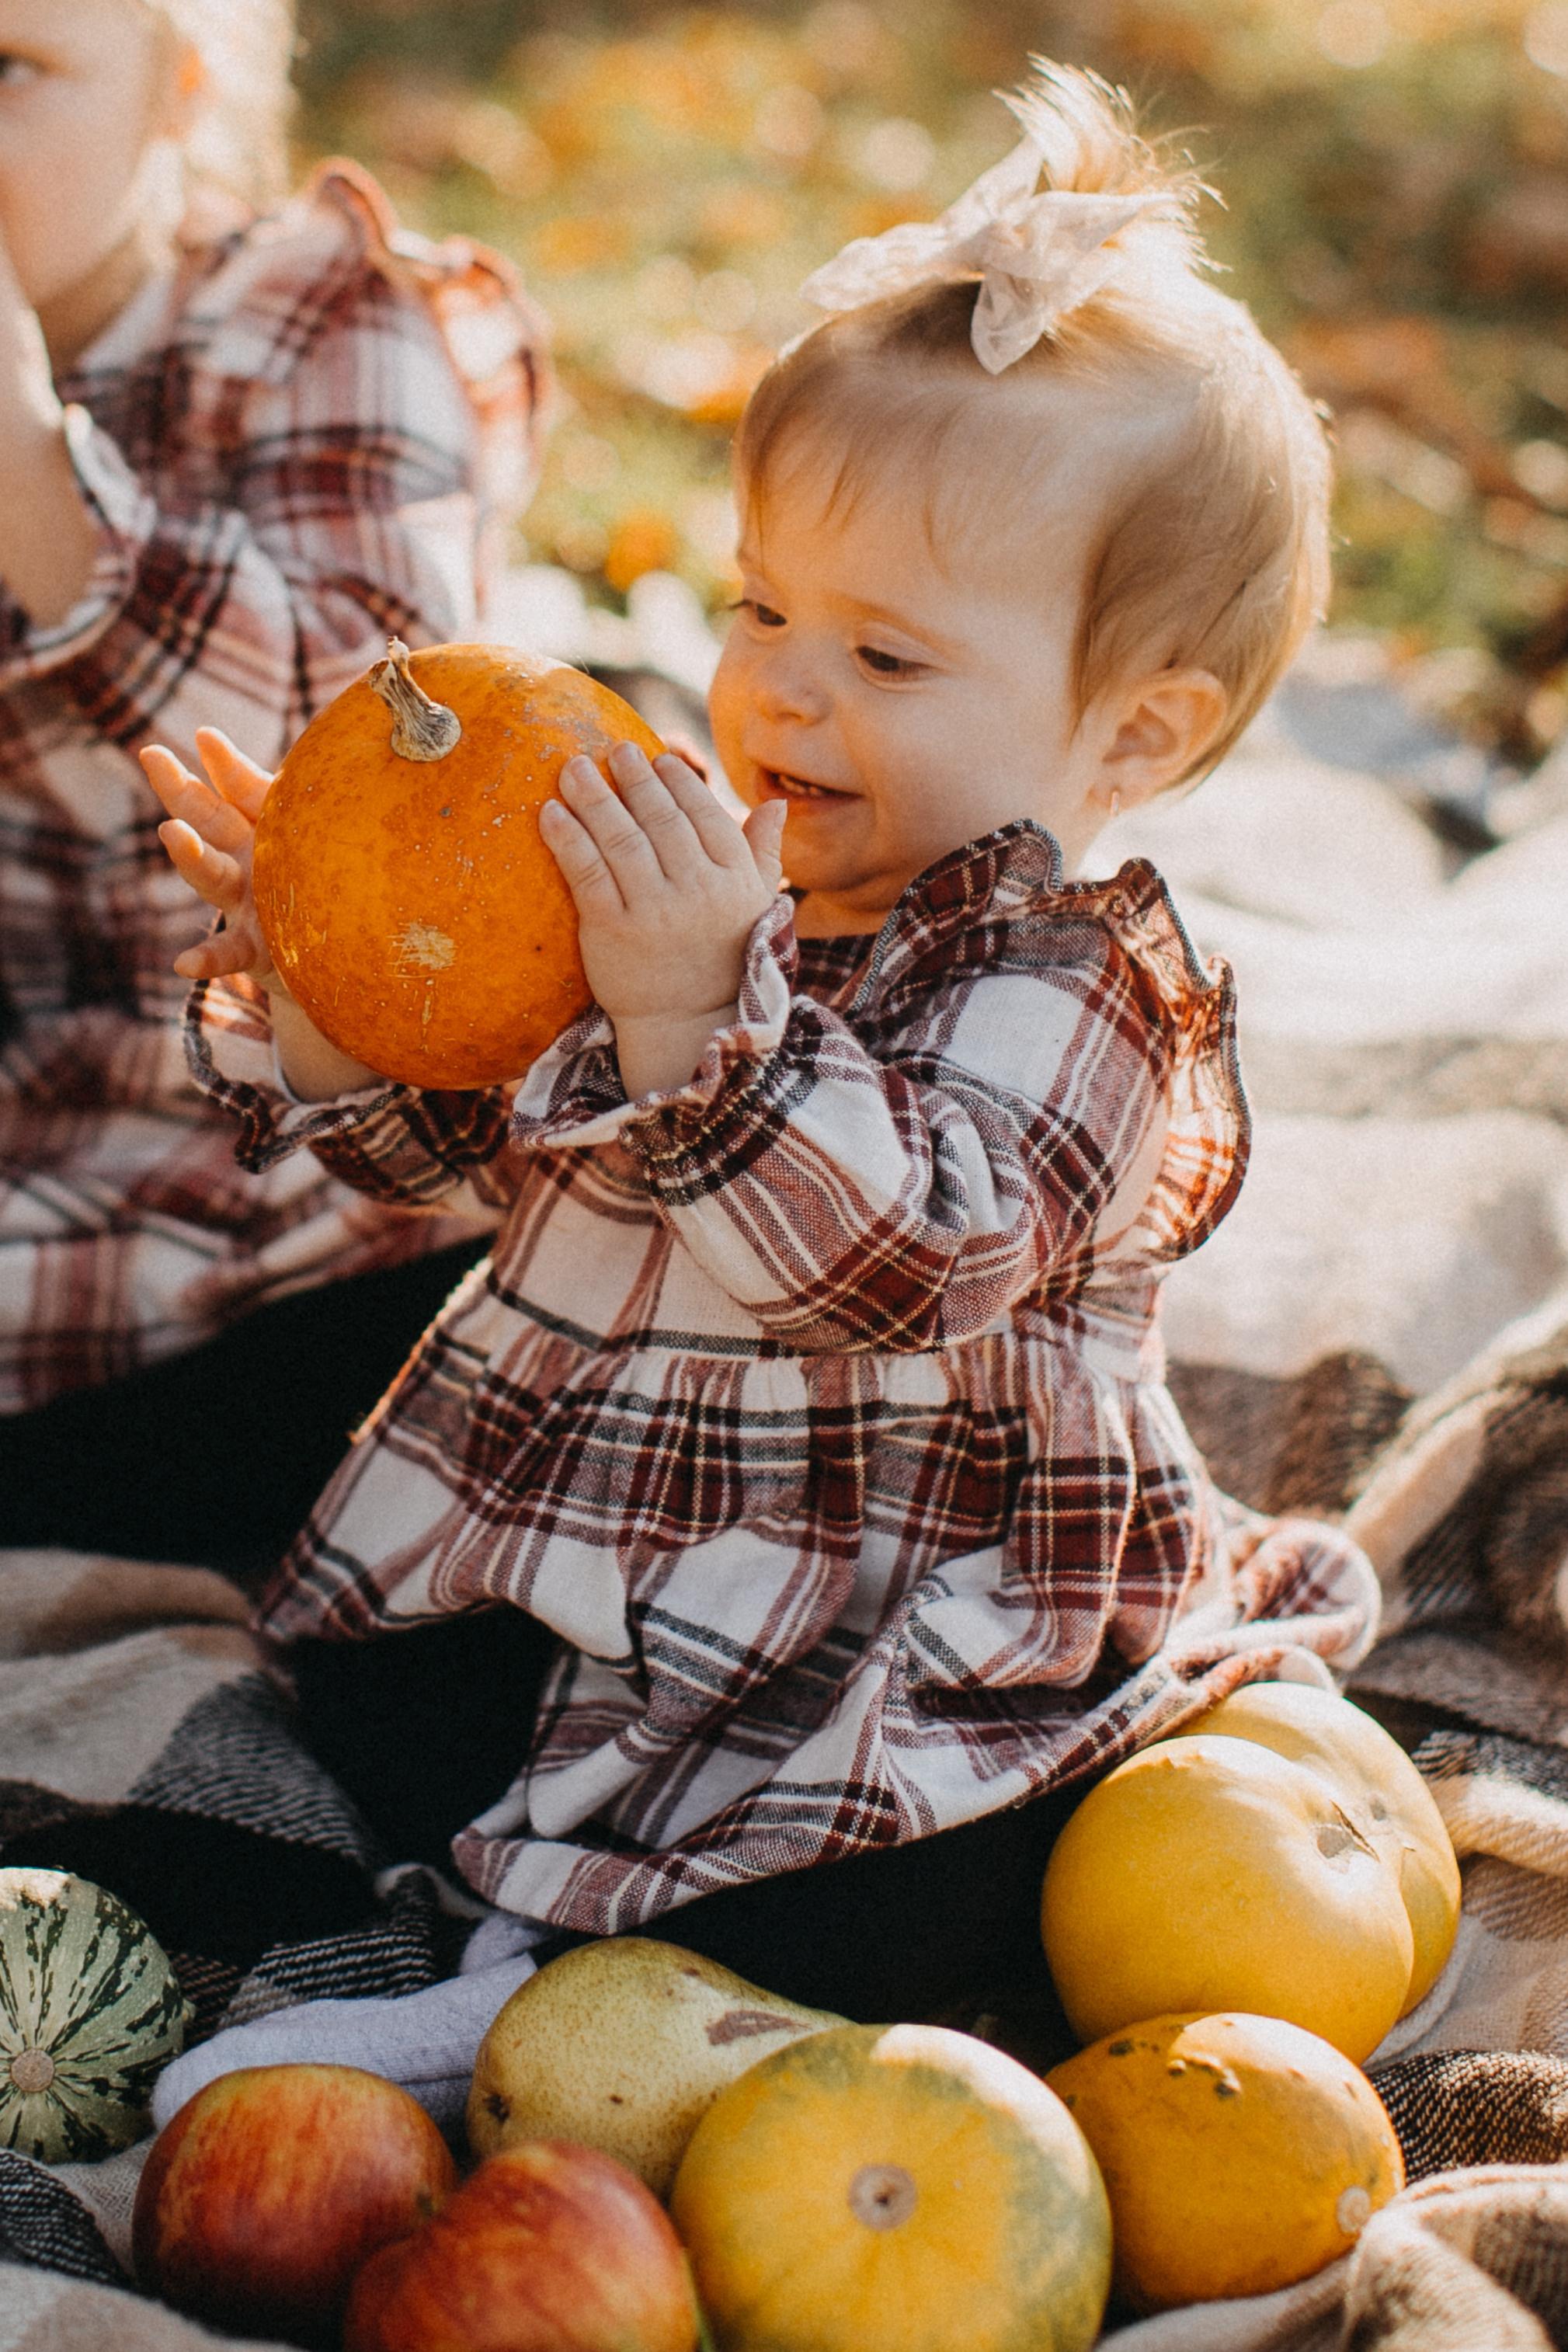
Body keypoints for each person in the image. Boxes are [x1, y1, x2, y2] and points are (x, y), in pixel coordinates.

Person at [145, 61, 1377, 2032]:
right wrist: (330, 1003)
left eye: (885, 657)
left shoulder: (1079, 991)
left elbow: (901, 1260)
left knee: (933, 1904)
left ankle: (549, 2011)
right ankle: (518, 1918)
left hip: (880, 1625)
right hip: (588, 1556)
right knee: (368, 1681)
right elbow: (483, 1158)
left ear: (1132, 735)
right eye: (760, 604)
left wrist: (689, 1017)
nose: (783, 686)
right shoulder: (716, 887)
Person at [0, 0, 548, 1567]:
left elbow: (392, 768)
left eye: (6, 72)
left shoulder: (318, 321)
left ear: (181, 82)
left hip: (298, 1160)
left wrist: (23, 464)